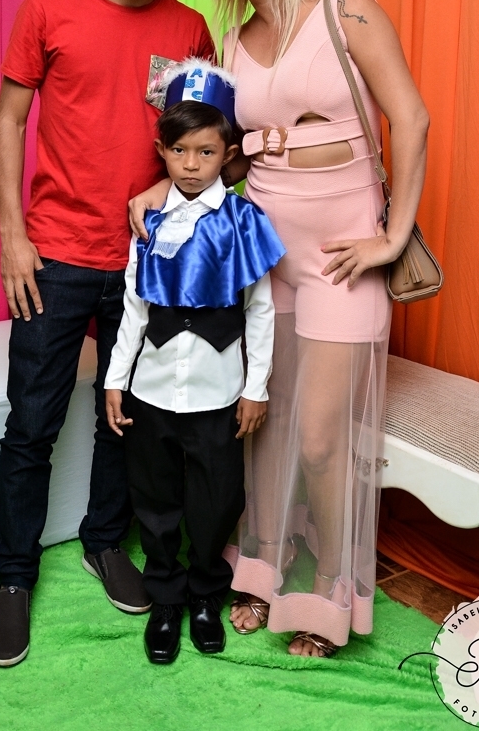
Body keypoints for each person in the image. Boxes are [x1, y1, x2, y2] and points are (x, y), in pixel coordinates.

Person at [130, 0, 429, 659]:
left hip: (339, 260)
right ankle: (259, 571)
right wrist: (163, 189)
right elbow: (224, 158)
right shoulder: (231, 43)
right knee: (259, 427)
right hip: (263, 256)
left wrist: (391, 236)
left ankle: (327, 594)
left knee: (321, 440)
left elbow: (410, 115)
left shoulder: (343, 7)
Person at [0, 0, 215, 669]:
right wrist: (13, 235)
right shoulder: (46, 10)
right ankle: (13, 577)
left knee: (129, 419)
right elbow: (8, 122)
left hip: (147, 261)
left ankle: (104, 542)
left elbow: (203, 143)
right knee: (31, 423)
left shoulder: (189, 30)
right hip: (52, 253)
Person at [105, 61, 285, 665]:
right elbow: (134, 307)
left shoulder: (244, 221)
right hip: (153, 390)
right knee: (155, 501)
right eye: (178, 150)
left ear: (226, 154)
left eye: (205, 152)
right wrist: (115, 380)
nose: (190, 164)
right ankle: (165, 599)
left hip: (217, 393)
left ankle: (206, 594)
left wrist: (255, 388)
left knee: (216, 501)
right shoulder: (148, 220)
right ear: (162, 150)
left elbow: (260, 311)